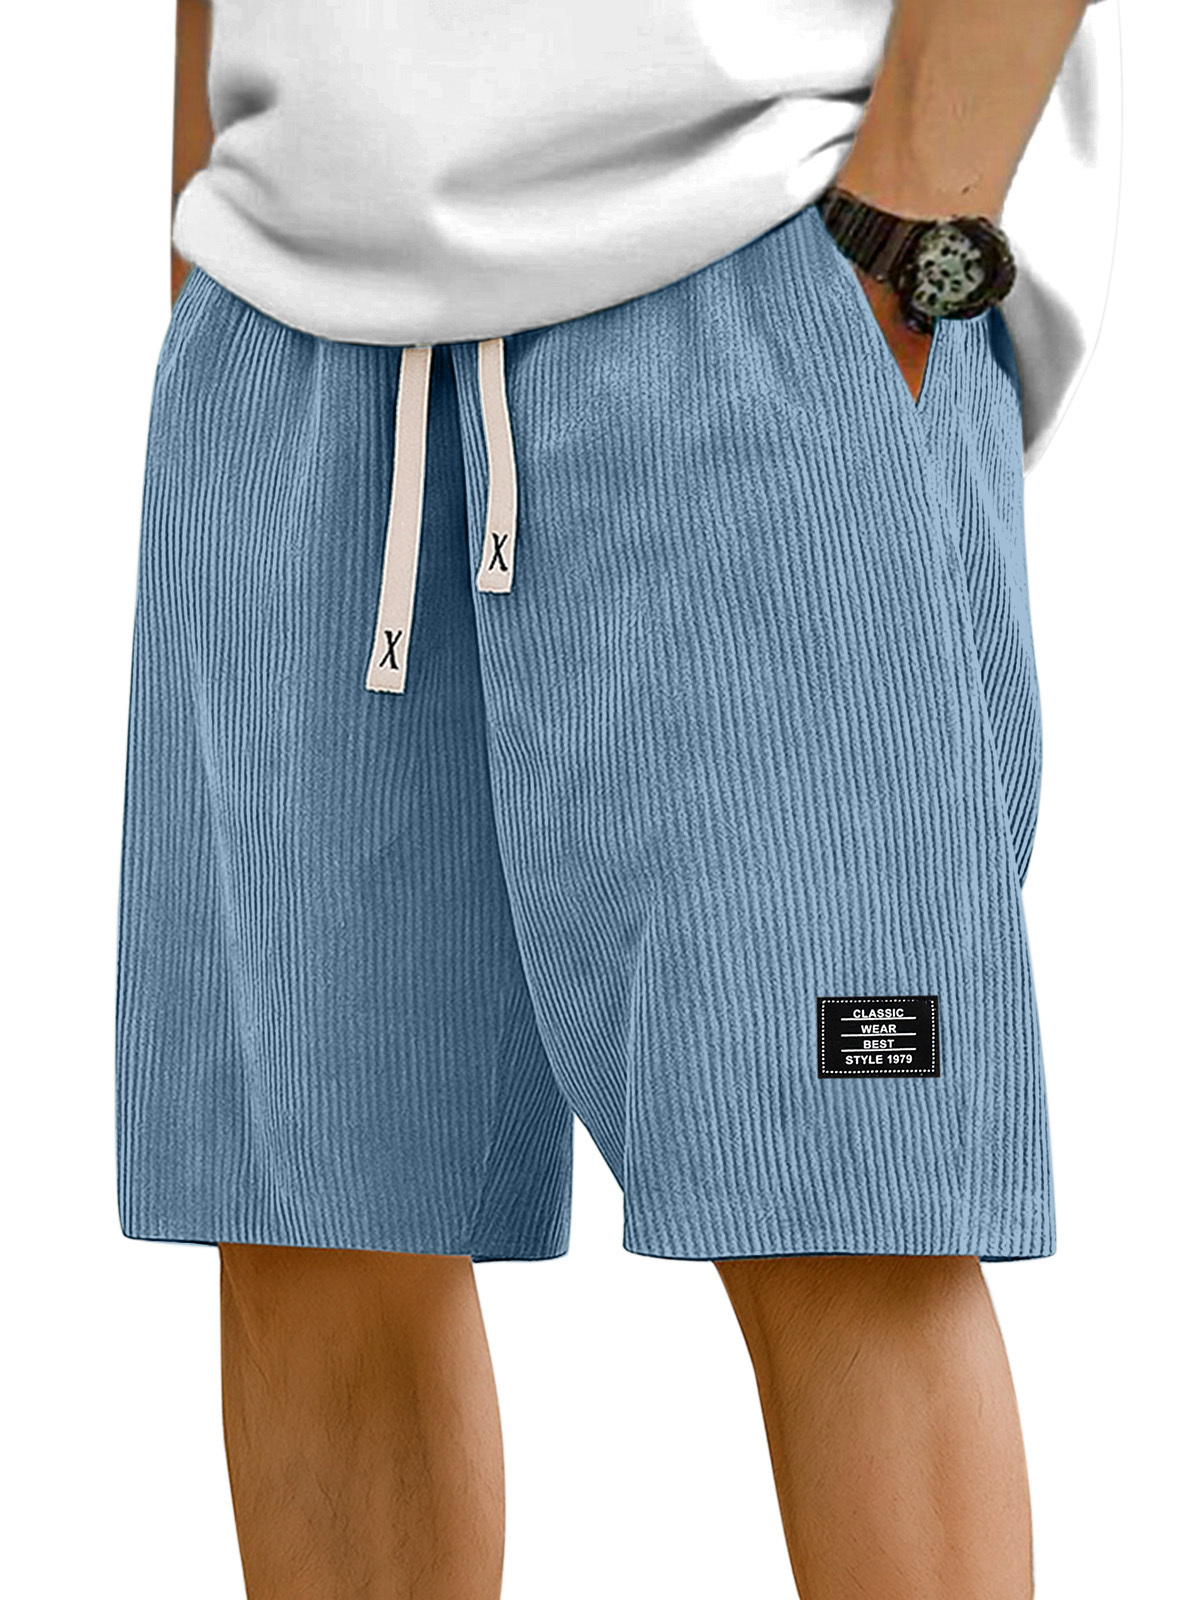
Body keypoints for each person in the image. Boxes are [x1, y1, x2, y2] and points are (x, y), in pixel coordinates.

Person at [114, 2, 1114, 1596]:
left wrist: (910, 226)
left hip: (751, 260)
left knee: (849, 1211)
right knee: (315, 1225)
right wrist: (211, 217)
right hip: (288, 305)